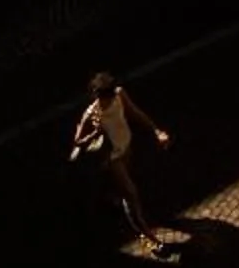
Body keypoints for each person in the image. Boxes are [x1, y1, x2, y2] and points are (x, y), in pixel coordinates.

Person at [70, 71, 171, 246]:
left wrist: (156, 131)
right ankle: (147, 235)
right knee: (131, 194)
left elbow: (135, 113)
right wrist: (95, 133)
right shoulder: (91, 114)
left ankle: (111, 197)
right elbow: (78, 141)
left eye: (110, 97)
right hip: (114, 158)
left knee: (123, 188)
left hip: (126, 147)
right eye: (106, 99)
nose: (109, 101)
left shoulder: (119, 94)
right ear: (97, 96)